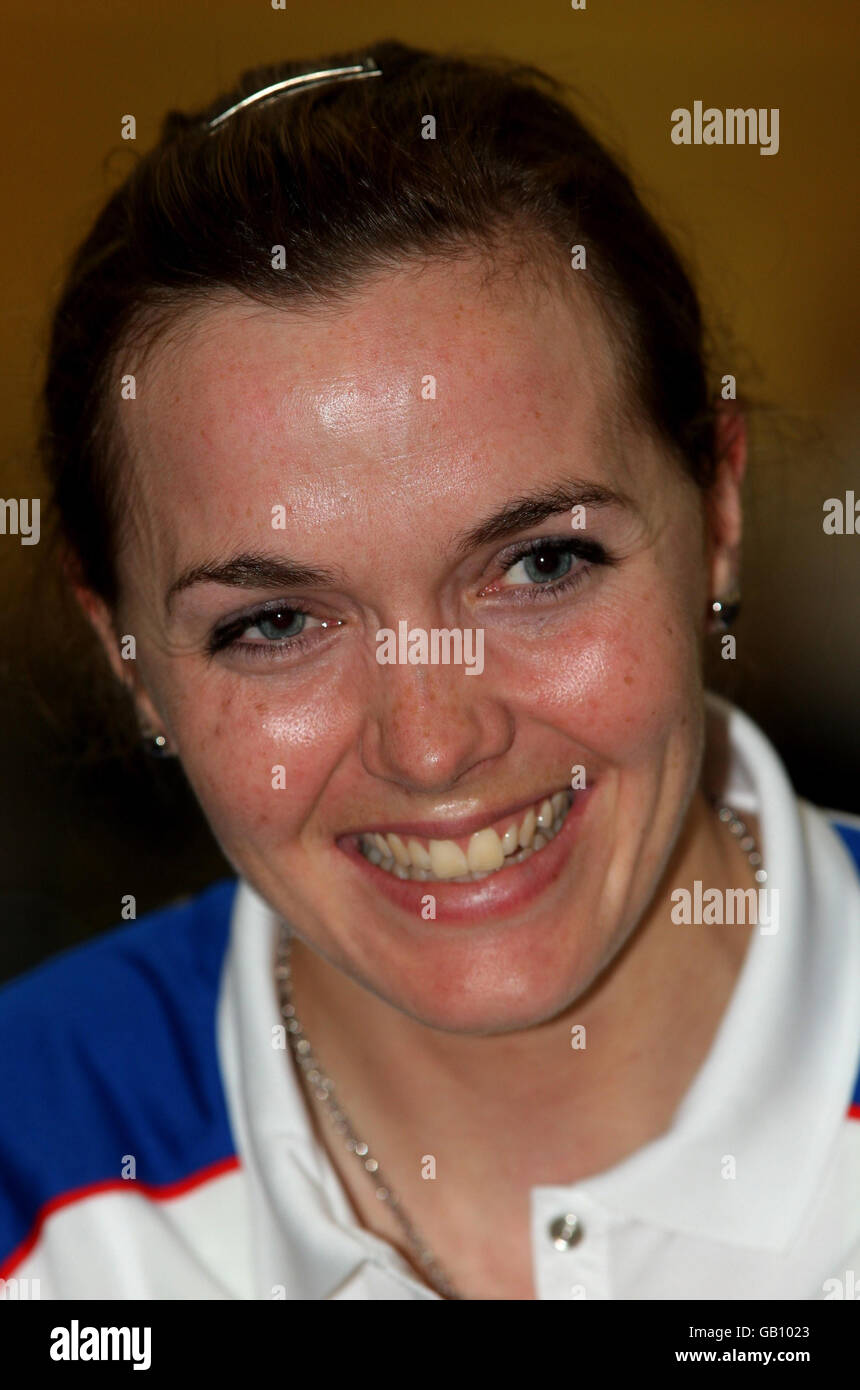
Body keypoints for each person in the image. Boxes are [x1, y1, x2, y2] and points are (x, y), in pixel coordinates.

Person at [0, 40, 857, 1302]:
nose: (431, 741)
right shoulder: (33, 1174)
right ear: (124, 653)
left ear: (716, 512)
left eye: (540, 563)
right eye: (275, 623)